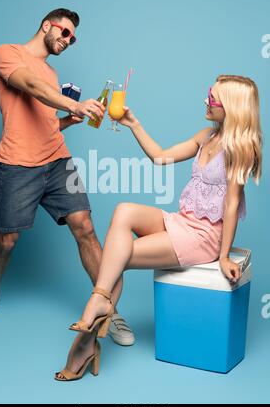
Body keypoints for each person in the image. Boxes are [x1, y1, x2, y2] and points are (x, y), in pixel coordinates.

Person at [54, 74, 263, 381]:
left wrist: (222, 257)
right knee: (124, 212)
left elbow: (231, 205)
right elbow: (160, 157)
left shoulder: (241, 147)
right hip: (182, 222)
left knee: (117, 256)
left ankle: (87, 334)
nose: (205, 101)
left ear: (232, 107)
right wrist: (133, 123)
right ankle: (99, 306)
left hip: (203, 237)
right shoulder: (206, 135)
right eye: (208, 93)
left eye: (213, 98)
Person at [0, 8, 135, 346]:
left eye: (73, 38)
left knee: (86, 227)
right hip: (18, 164)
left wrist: (67, 121)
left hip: (57, 161)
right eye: (65, 33)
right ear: (47, 25)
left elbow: (45, 120)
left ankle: (109, 311)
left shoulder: (52, 73)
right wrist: (74, 105)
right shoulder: (7, 53)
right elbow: (29, 87)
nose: (68, 40)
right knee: (8, 240)